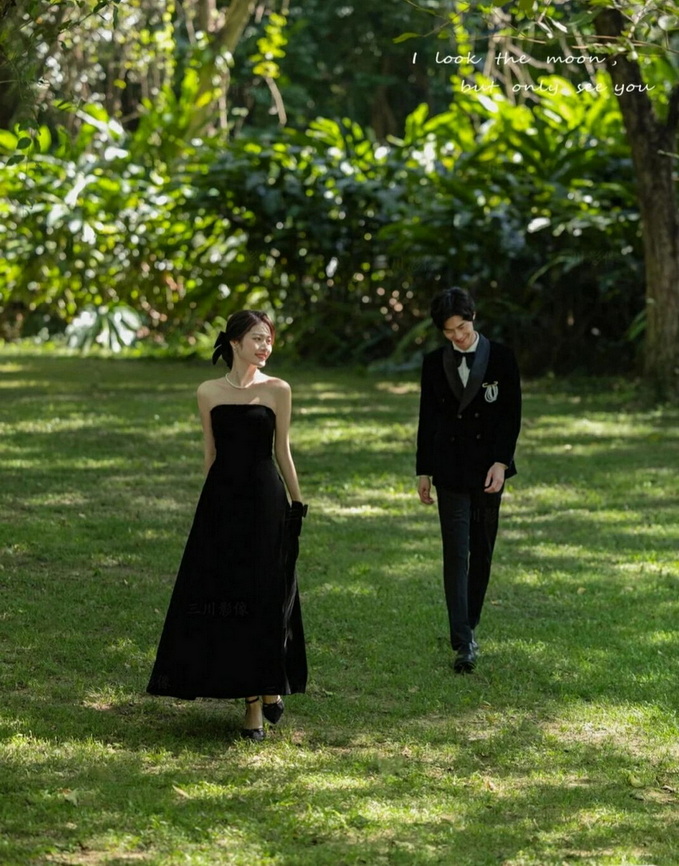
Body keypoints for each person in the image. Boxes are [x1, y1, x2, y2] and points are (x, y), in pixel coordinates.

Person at [147, 310, 308, 740]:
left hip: (267, 502)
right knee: (230, 595)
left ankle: (266, 689)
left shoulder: (278, 390)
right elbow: (210, 453)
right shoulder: (208, 392)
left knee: (267, 595)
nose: (265, 346)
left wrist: (297, 501)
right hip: (222, 503)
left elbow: (283, 451)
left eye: (269, 339)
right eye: (257, 338)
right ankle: (255, 699)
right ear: (235, 343)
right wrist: (210, 508)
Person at [416, 287, 521, 674]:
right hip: (449, 470)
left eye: (462, 328)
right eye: (449, 332)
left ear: (472, 318)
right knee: (455, 553)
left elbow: (511, 415)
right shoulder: (433, 363)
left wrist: (501, 463)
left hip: (488, 471)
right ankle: (462, 640)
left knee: (482, 550)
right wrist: (423, 470)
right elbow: (427, 418)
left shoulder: (502, 357)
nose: (457, 337)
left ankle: (470, 623)